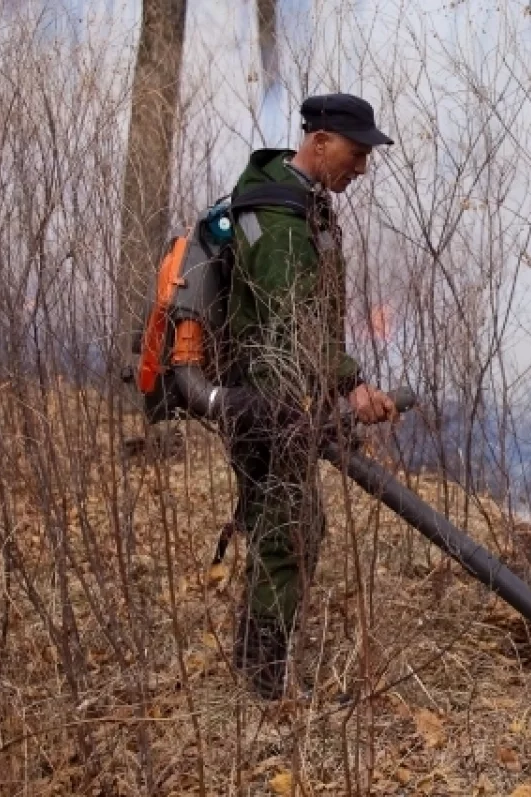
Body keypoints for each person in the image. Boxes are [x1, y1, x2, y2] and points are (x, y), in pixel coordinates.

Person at [221, 93, 397, 700]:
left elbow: (304, 324)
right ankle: (262, 678)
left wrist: (330, 390)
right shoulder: (280, 221)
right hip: (267, 400)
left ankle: (257, 658)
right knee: (290, 529)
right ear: (319, 140)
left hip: (283, 394)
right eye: (356, 152)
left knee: (287, 524)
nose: (363, 167)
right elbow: (291, 324)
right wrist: (352, 384)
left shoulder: (295, 201)